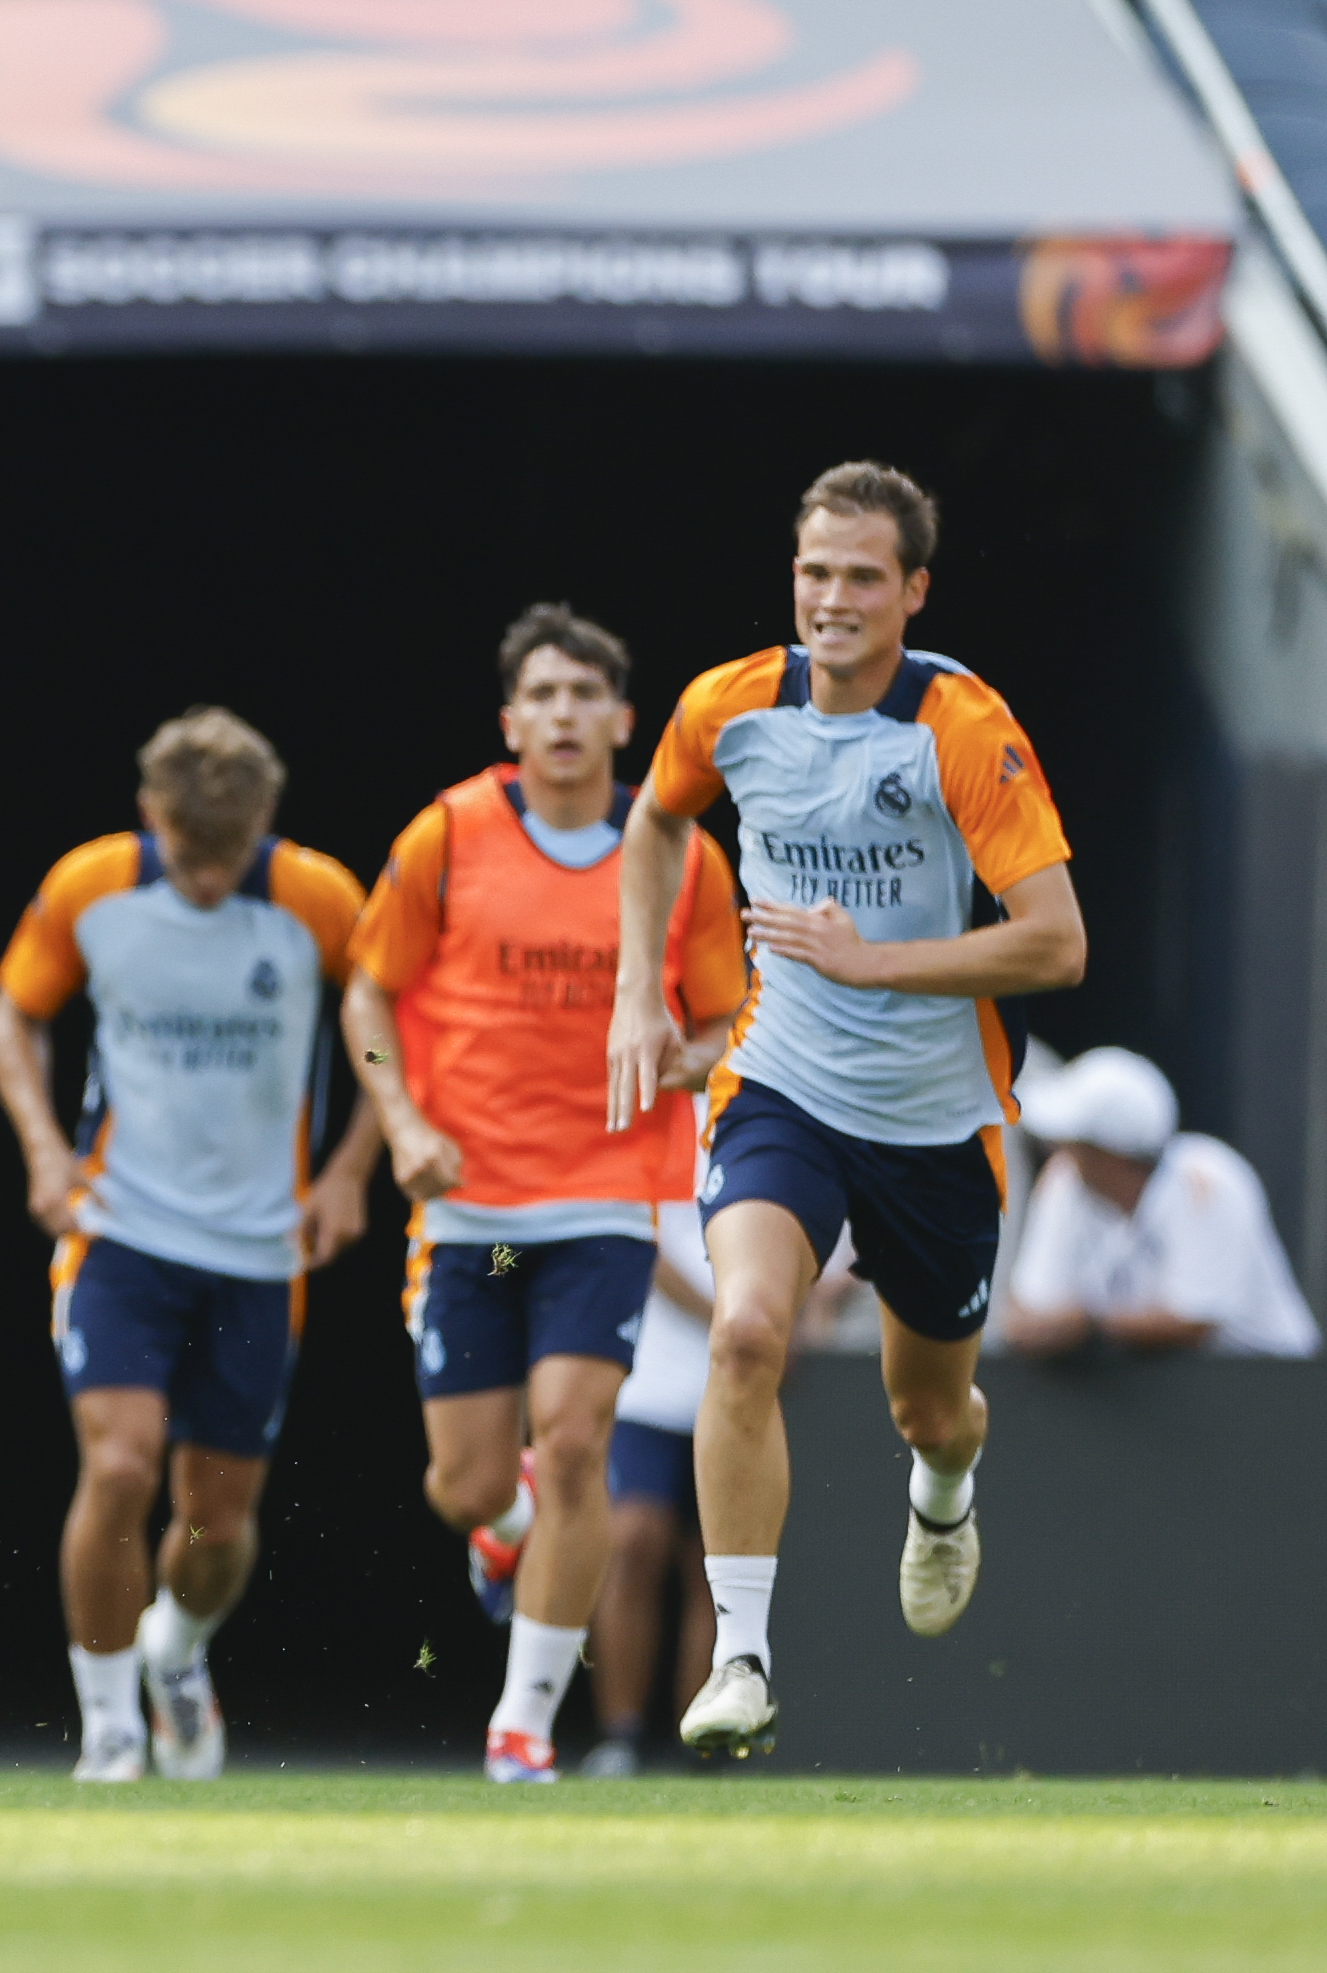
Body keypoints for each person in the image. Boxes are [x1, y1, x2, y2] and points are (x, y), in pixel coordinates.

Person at [608, 461, 1087, 1760]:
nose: (831, 598)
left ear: (910, 590)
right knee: (743, 1335)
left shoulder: (958, 728)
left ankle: (942, 1496)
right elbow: (652, 824)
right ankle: (741, 1658)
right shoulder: (727, 705)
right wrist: (634, 997)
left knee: (926, 1410)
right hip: (783, 1083)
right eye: (813, 572)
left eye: (861, 576)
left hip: (937, 1118)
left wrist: (872, 959)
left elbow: (1053, 945)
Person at [345, 604, 744, 1784]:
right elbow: (367, 1003)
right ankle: (502, 1520)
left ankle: (521, 1723)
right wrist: (402, 1121)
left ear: (624, 721)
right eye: (543, 695)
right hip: (471, 1213)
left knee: (576, 1444)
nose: (564, 715)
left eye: (586, 696)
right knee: (464, 1479)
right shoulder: (450, 834)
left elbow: (725, 1017)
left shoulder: (679, 854)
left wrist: (684, 1055)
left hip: (604, 1204)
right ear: (510, 719)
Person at [0, 707, 377, 1784]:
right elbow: (13, 1015)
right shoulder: (92, 888)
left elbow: (386, 1023)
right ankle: (108, 1725)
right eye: (192, 854)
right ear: (152, 816)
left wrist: (349, 1168)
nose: (210, 879)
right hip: (121, 1232)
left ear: (267, 823)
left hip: (258, 1249)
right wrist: (41, 1152)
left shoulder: (317, 898)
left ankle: (178, 1650)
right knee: (117, 1463)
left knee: (216, 1523)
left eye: (232, 852)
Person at [1002, 1047, 1317, 1359]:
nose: (1059, 1149)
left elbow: (1195, 1322)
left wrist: (1085, 1325)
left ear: (1111, 1153)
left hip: (1270, 1386)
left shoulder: (1210, 1177)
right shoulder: (1065, 1180)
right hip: (1151, 1394)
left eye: (1076, 1141)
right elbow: (1032, 1311)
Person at [577, 1176, 715, 1778]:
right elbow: (643, 1243)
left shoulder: (767, 1101)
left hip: (746, 1389)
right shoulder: (644, 1113)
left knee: (717, 1566)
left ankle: (705, 1742)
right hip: (649, 1382)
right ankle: (621, 1735)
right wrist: (740, 1322)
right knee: (633, 1544)